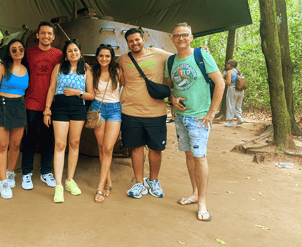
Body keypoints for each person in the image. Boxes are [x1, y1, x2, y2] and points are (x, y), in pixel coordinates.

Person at [164, 22, 225, 222]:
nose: (181, 38)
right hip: (181, 117)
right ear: (172, 39)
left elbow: (220, 83)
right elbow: (170, 87)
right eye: (177, 35)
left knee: (199, 157)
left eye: (185, 35)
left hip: (199, 117)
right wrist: (172, 100)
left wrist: (211, 113)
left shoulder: (201, 56)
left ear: (191, 37)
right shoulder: (171, 61)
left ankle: (203, 202)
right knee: (189, 155)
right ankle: (195, 193)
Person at [118, 28, 172, 199]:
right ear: (127, 43)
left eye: (137, 40)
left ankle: (153, 180)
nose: (134, 43)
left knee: (156, 149)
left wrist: (200, 51)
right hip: (130, 110)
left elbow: (179, 57)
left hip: (155, 111)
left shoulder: (158, 54)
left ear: (143, 39)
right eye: (131, 41)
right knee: (136, 147)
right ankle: (139, 182)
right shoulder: (123, 60)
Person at [43, 39, 95, 203]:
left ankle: (69, 180)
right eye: (70, 51)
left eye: (76, 50)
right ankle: (58, 185)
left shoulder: (86, 69)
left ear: (80, 52)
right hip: (60, 107)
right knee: (60, 144)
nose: (73, 53)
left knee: (74, 143)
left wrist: (77, 92)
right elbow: (52, 88)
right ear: (65, 56)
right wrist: (47, 110)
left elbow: (91, 95)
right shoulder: (58, 68)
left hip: (78, 107)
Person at [21, 21, 63, 190]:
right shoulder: (29, 53)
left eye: (49, 33)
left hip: (51, 104)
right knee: (30, 138)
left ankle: (46, 172)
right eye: (43, 33)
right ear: (37, 35)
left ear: (53, 37)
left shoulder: (59, 54)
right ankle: (26, 173)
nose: (46, 36)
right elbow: (14, 63)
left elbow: (72, 66)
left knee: (48, 139)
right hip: (31, 101)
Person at [0, 39, 28, 199]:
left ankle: (10, 173)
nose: (17, 51)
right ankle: (2, 181)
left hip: (19, 106)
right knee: (2, 145)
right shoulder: (2, 68)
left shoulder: (26, 69)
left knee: (16, 145)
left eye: (20, 48)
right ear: (9, 52)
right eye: (14, 50)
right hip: (2, 106)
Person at [90, 44, 123, 203]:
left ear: (111, 58)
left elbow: (129, 85)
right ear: (97, 57)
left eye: (107, 56)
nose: (104, 59)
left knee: (109, 147)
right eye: (101, 55)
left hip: (115, 109)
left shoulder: (117, 71)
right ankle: (108, 181)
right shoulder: (92, 72)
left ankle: (100, 186)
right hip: (98, 108)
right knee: (102, 147)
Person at [224, 59, 245, 127]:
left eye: (228, 63)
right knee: (238, 105)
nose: (227, 65)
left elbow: (228, 82)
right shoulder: (239, 72)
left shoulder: (229, 72)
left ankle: (231, 121)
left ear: (230, 65)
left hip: (232, 88)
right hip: (240, 89)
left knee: (230, 104)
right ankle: (239, 118)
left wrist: (222, 79)